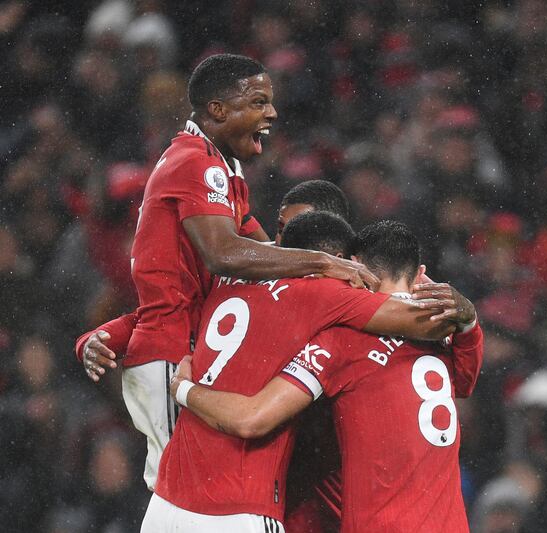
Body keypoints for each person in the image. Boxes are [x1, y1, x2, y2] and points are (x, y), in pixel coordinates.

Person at [75, 53, 378, 491]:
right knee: (179, 495)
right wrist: (324, 262)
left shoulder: (220, 168)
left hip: (185, 350)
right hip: (169, 354)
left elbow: (266, 252)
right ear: (218, 109)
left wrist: (349, 266)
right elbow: (226, 254)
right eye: (258, 102)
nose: (271, 113)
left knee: (194, 492)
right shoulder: (196, 163)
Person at [168, 220, 484, 532]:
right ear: (419, 274)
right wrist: (469, 322)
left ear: (355, 266)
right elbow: (466, 381)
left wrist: (183, 389)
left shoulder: (342, 340)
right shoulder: (445, 336)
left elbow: (253, 418)